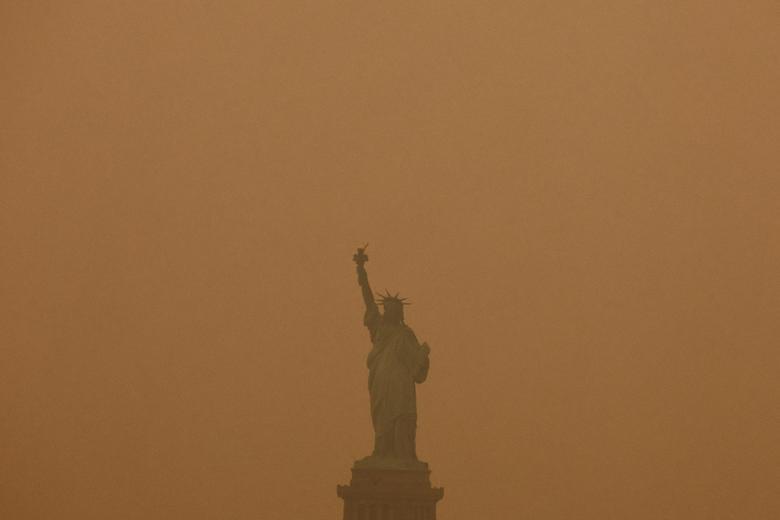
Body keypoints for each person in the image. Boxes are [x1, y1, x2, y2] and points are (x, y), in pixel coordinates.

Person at [353, 248, 431, 468]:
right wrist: (362, 273)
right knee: (382, 417)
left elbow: (417, 366)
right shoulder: (378, 328)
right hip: (380, 380)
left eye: (393, 310)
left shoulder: (406, 334)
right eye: (387, 309)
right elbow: (369, 301)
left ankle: (403, 455)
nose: (389, 312)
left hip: (401, 383)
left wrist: (423, 355)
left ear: (399, 313)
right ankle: (382, 451)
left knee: (402, 415)